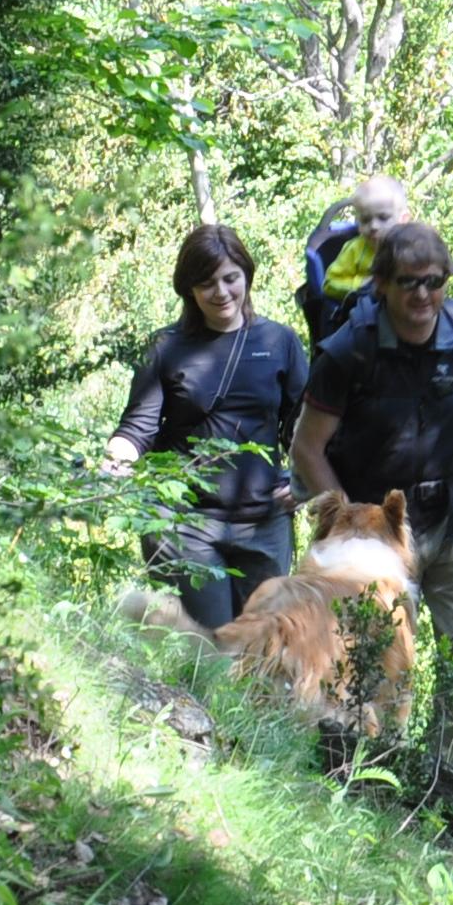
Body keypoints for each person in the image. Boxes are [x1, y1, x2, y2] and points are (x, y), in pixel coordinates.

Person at [292, 221, 453, 780]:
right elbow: (307, 446)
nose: (422, 295)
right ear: (381, 286)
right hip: (371, 540)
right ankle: (358, 778)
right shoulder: (349, 351)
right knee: (364, 666)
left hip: (451, 523)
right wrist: (343, 515)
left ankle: (448, 791)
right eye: (408, 282)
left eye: (434, 281)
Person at [103, 225, 309, 630]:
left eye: (231, 278)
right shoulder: (167, 347)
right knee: (212, 652)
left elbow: (305, 429)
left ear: (247, 275)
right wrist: (115, 464)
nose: (221, 292)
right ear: (189, 290)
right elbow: (137, 429)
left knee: (264, 650)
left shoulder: (280, 341)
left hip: (265, 522)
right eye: (206, 283)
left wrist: (303, 484)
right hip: (184, 523)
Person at [297, 174, 419, 346]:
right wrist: (362, 285)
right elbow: (330, 284)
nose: (374, 226)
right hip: (362, 323)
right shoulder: (354, 249)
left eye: (383, 218)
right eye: (366, 220)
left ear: (404, 219)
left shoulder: (413, 247)